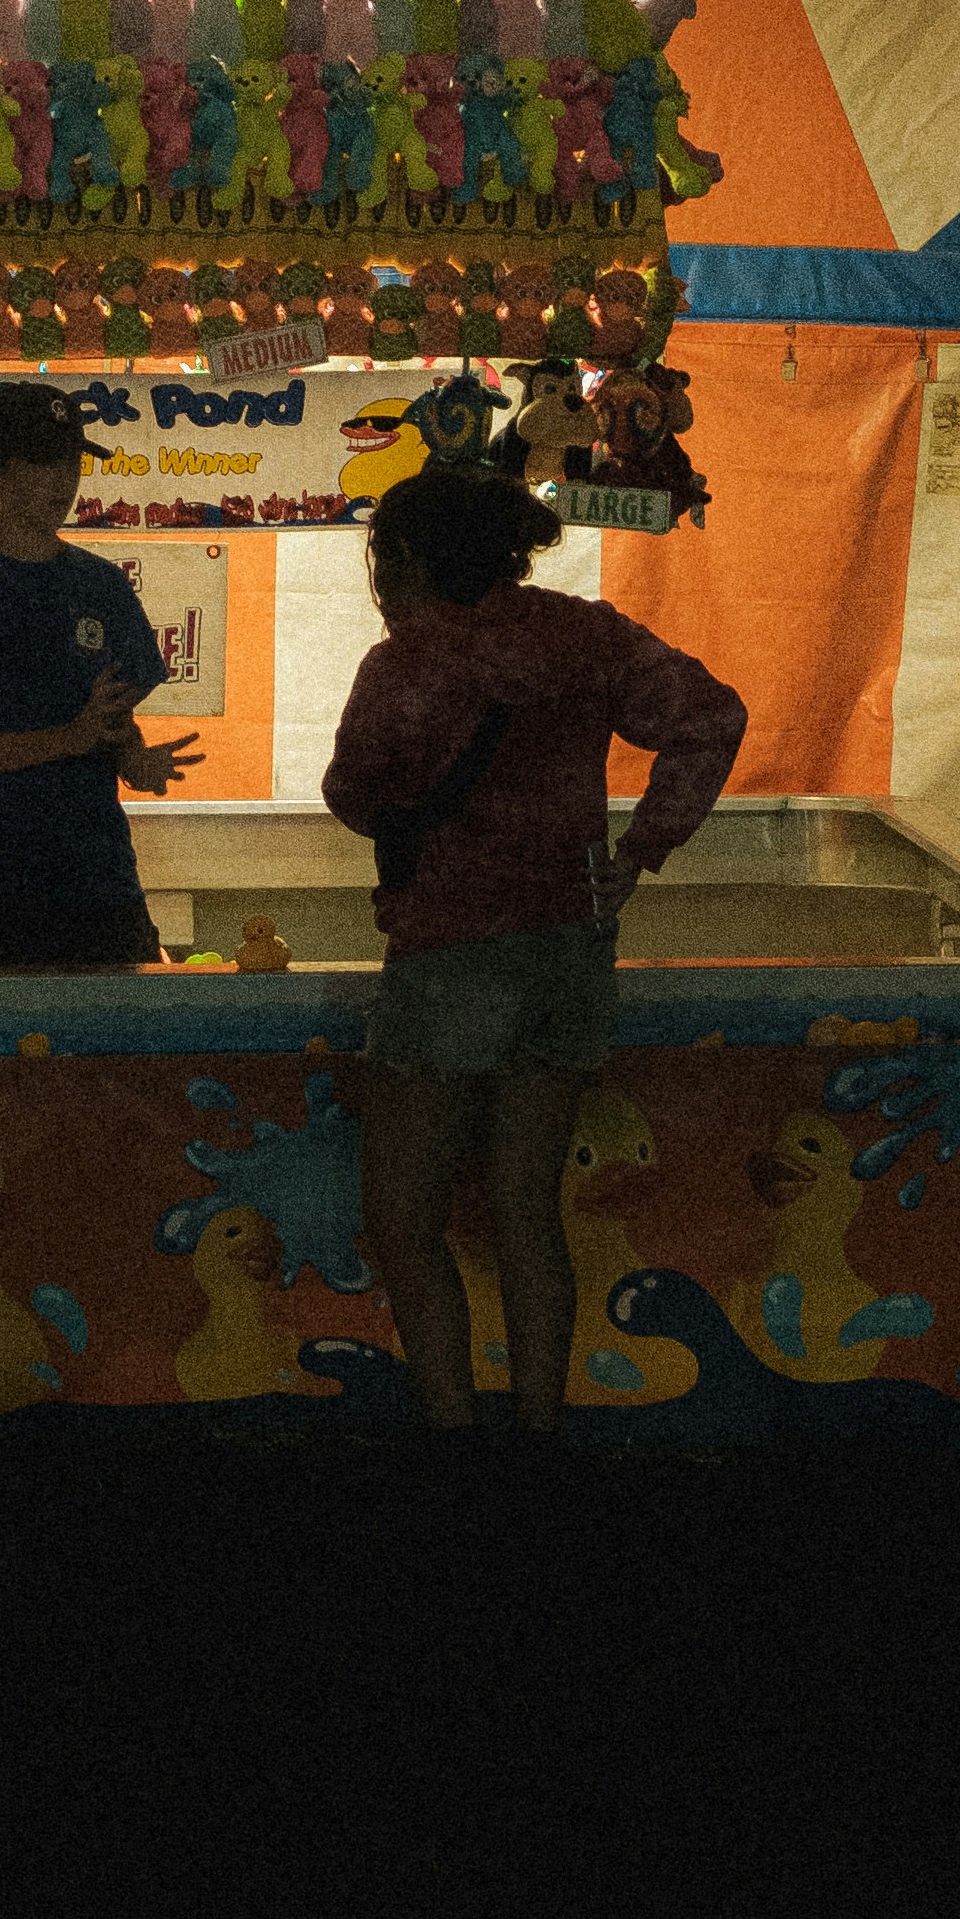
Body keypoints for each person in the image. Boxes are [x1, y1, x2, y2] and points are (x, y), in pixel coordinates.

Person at [321, 465, 745, 1433]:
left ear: (409, 561)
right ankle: (540, 1435)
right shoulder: (587, 638)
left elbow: (352, 793)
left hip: (450, 954)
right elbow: (711, 717)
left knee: (403, 1219)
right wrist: (642, 847)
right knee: (524, 1209)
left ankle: (452, 1432)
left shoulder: (407, 666)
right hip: (566, 947)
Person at [0, 379, 204, 972]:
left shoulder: (101, 585)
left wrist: (134, 761)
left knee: (118, 1060)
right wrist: (76, 737)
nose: (60, 481)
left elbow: (112, 723)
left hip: (98, 879)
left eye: (70, 463)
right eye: (39, 463)